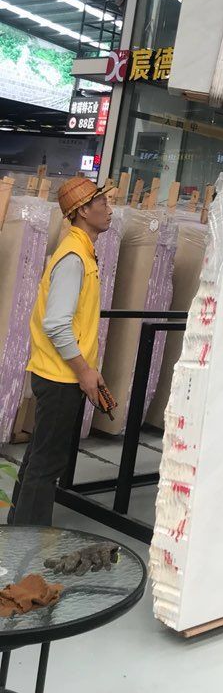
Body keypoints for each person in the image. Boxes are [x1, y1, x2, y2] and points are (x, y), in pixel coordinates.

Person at [8, 177, 113, 526]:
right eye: (102, 203)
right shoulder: (73, 258)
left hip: (56, 373)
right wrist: (84, 371)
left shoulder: (81, 252)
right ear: (82, 210)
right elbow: (56, 324)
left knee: (39, 458)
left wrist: (88, 369)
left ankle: (17, 535)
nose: (109, 209)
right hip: (60, 377)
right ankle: (30, 547)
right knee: (47, 464)